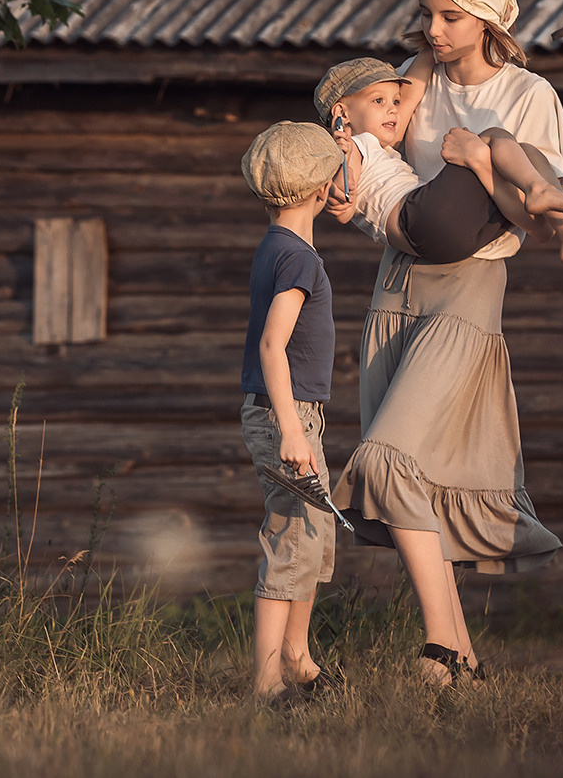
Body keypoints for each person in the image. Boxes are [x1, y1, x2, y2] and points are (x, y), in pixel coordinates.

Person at [326, 0, 563, 688]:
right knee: (405, 475)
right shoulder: (418, 80)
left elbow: (525, 219)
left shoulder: (529, 95)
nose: (434, 29)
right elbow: (378, 165)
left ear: (487, 18)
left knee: (386, 457)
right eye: (428, 14)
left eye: (450, 16)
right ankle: (458, 654)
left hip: (470, 287)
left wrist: (479, 162)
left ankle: (443, 648)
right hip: (396, 279)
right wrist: (348, 197)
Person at [236, 121, 345, 702]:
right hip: (288, 416)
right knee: (292, 534)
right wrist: (291, 432)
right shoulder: (298, 259)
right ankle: (266, 681)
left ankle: (298, 658)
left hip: (292, 413)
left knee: (314, 530)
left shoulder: (277, 247)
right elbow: (272, 344)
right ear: (320, 189)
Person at [315, 54, 563, 265]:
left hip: (450, 243)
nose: (392, 110)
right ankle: (540, 191)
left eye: (395, 102)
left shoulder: (378, 148)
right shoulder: (355, 145)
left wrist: (431, 45)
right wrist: (344, 161)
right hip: (417, 217)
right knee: (493, 136)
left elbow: (411, 90)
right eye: (379, 101)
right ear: (342, 111)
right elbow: (345, 182)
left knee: (528, 153)